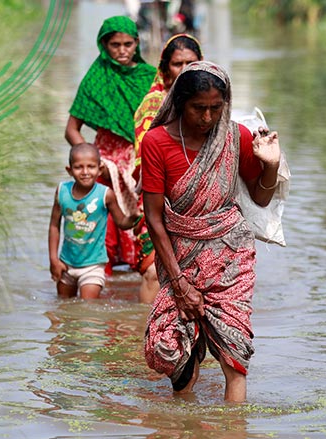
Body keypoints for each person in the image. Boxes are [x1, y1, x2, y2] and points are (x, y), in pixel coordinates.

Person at [140, 61, 281, 402]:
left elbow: (260, 197)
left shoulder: (236, 138)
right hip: (181, 255)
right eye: (198, 109)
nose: (206, 118)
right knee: (177, 358)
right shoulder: (156, 143)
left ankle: (232, 429)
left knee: (235, 355)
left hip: (230, 256)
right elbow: (155, 219)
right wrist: (179, 282)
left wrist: (271, 165)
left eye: (215, 109)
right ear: (180, 104)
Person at [64, 15, 157, 293]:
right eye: (114, 44)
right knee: (101, 232)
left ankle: (135, 287)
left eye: (128, 44)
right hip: (104, 167)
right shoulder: (96, 77)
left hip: (140, 164)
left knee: (139, 227)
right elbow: (71, 130)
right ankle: (99, 288)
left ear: (137, 44)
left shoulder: (150, 77)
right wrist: (93, 161)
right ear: (104, 45)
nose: (121, 50)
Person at [131, 33, 203, 304]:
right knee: (152, 270)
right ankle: (144, 334)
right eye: (177, 64)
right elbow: (145, 161)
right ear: (164, 69)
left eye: (191, 63)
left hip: (198, 200)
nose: (185, 70)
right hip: (155, 195)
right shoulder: (153, 105)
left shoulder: (209, 103)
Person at [48, 143, 139, 300]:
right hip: (66, 264)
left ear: (100, 170)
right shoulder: (62, 191)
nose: (85, 172)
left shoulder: (105, 195)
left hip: (93, 265)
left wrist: (133, 218)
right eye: (78, 167)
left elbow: (121, 222)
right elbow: (54, 226)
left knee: (88, 311)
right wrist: (53, 260)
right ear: (69, 170)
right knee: (63, 309)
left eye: (91, 167)